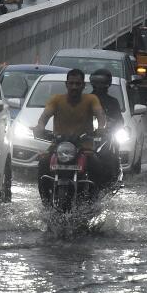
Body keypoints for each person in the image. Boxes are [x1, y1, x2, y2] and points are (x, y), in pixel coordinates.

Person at [32, 68, 108, 203]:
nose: (74, 87)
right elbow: (44, 116)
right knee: (43, 164)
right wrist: (40, 127)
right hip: (59, 146)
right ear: (66, 84)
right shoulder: (56, 99)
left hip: (84, 146)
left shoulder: (91, 99)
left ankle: (94, 202)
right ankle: (46, 201)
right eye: (71, 83)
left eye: (78, 84)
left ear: (83, 86)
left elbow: (100, 114)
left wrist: (102, 127)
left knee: (97, 166)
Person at [90, 68, 124, 184]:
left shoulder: (113, 102)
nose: (99, 86)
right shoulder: (85, 100)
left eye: (102, 83)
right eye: (97, 83)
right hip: (87, 136)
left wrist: (110, 125)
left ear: (107, 84)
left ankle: (111, 179)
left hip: (106, 137)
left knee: (110, 154)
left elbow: (120, 121)